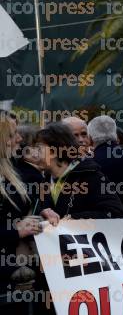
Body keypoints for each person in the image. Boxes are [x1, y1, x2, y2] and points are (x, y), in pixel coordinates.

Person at [0, 114, 58, 312]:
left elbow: (21, 203)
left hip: (16, 275)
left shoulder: (9, 170)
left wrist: (42, 210)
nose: (19, 139)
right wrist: (15, 232)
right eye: (12, 134)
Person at [35, 123, 123, 219]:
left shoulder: (91, 176)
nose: (34, 154)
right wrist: (42, 213)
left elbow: (115, 213)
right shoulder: (45, 181)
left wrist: (76, 219)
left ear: (54, 151)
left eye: (39, 149)